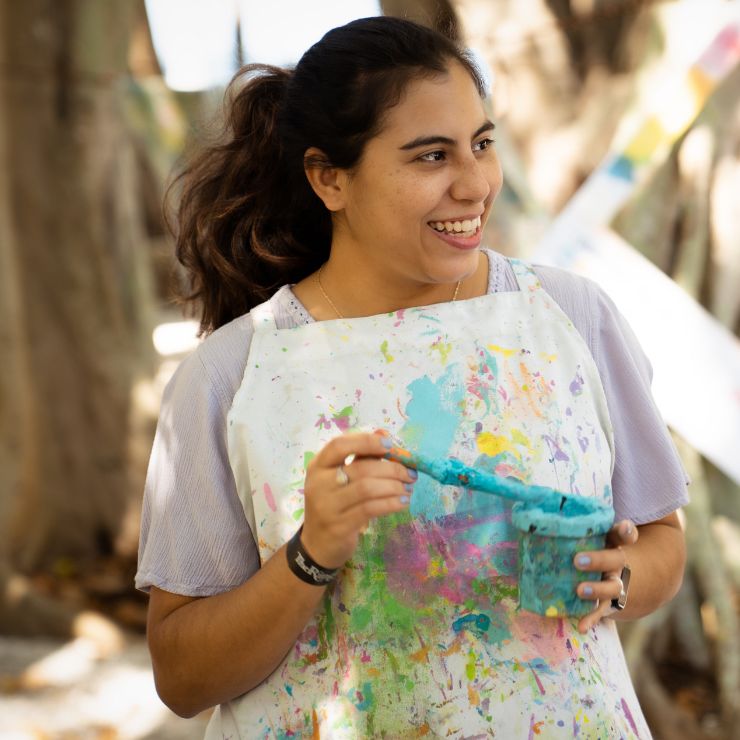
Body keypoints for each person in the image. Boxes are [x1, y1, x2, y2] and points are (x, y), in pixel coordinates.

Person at [137, 16, 688, 738]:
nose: (475, 184)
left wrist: (615, 581)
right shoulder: (233, 373)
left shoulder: (569, 317)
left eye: (482, 144)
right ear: (329, 178)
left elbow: (659, 543)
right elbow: (181, 676)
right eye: (431, 157)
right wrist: (310, 555)